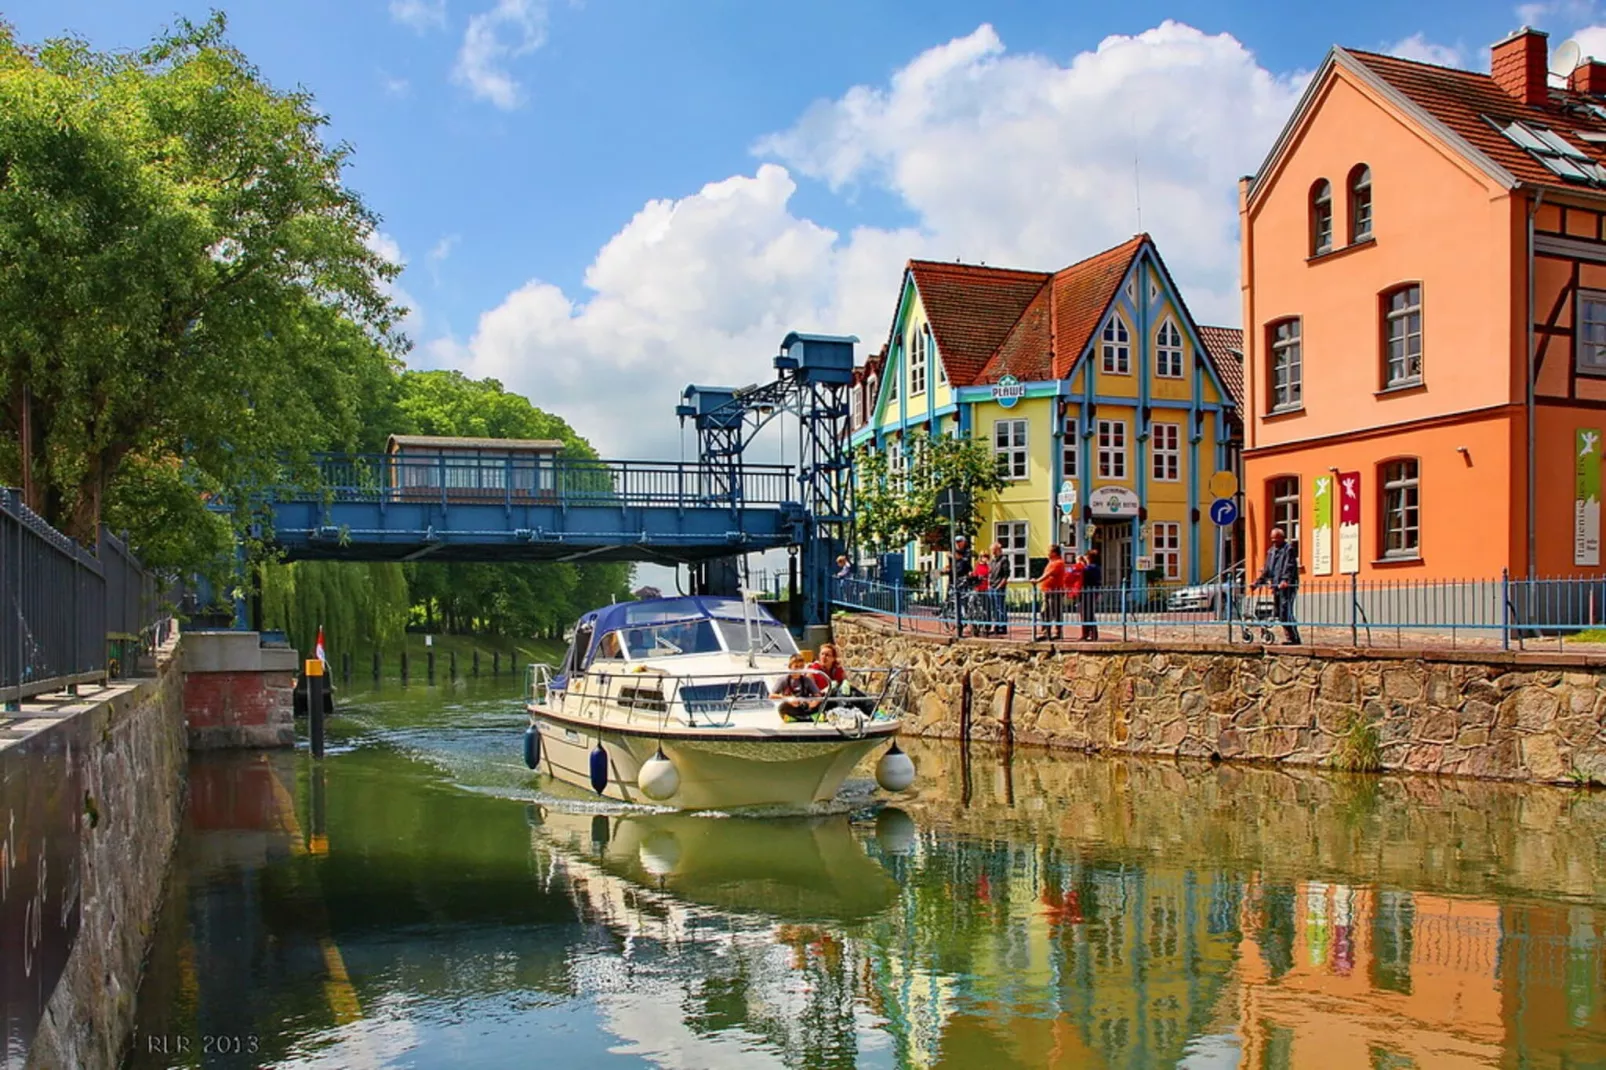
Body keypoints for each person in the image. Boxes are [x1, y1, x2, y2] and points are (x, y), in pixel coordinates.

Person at [1253, 526, 1301, 645]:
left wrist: (1285, 580)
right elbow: (1267, 569)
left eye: (1276, 539)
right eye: (1272, 539)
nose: (1273, 542)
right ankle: (1290, 636)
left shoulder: (1288, 549)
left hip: (1287, 587)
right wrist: (1258, 582)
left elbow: (1289, 566)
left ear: (1282, 538)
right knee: (1279, 612)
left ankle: (1293, 638)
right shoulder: (1271, 551)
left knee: (1285, 611)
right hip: (1276, 586)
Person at [771, 653, 824, 721]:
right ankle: (807, 718)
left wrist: (813, 703)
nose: (799, 669)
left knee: (822, 704)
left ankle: (801, 718)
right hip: (791, 706)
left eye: (801, 666)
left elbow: (818, 695)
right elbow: (771, 696)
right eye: (796, 666)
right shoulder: (782, 680)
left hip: (805, 706)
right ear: (790, 667)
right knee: (782, 708)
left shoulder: (807, 680)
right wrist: (788, 699)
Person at [1035, 544, 1069, 641]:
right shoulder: (1051, 562)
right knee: (1044, 611)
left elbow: (1048, 574)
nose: (1047, 553)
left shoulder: (1058, 563)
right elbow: (1046, 574)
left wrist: (1037, 580)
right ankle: (1046, 632)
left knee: (1056, 612)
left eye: (1049, 551)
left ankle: (1058, 632)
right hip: (1047, 591)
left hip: (1055, 591)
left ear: (1054, 553)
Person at [950, 536, 976, 636]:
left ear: (964, 542)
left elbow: (965, 561)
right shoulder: (953, 551)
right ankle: (957, 622)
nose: (957, 543)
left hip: (964, 579)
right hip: (954, 579)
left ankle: (964, 623)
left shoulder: (967, 551)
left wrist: (957, 556)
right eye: (956, 542)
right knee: (956, 600)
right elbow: (952, 563)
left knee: (965, 601)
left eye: (959, 541)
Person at [986, 542, 1010, 636]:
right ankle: (996, 625)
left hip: (999, 586)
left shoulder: (1004, 560)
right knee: (994, 608)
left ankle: (1002, 626)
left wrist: (1000, 585)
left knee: (1000, 607)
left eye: (993, 550)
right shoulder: (992, 560)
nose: (992, 552)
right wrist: (989, 584)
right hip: (992, 586)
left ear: (998, 550)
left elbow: (1006, 575)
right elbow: (990, 573)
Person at [1080, 548, 1102, 641]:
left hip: (1089, 592)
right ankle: (1088, 633)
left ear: (1090, 558)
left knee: (1087, 613)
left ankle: (1091, 634)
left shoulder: (1093, 567)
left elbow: (1084, 571)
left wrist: (1080, 562)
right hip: (1089, 591)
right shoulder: (1094, 567)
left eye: (1086, 556)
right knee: (1086, 613)